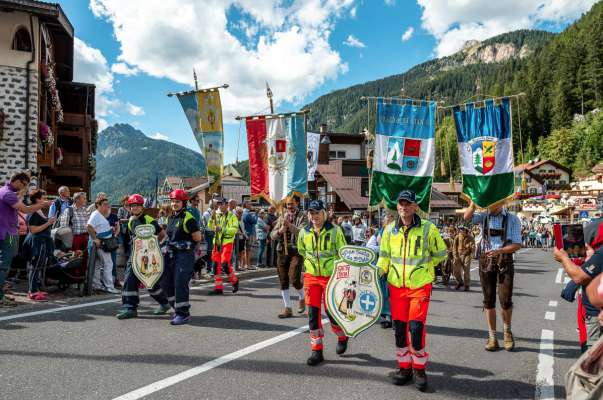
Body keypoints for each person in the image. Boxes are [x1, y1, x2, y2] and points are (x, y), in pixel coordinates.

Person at [378, 189, 447, 392]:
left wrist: (424, 270)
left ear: (415, 206)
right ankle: (404, 368)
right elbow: (384, 256)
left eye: (408, 203)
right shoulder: (390, 230)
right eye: (401, 203)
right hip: (397, 288)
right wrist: (380, 271)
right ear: (397, 206)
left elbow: (441, 254)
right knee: (399, 331)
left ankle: (419, 369)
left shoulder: (428, 228)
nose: (404, 207)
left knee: (416, 329)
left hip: (419, 287)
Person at [463, 201, 522, 352]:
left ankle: (507, 333)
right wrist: (473, 202)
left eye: (496, 200)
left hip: (505, 260)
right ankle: (492, 337)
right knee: (488, 300)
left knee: (505, 300)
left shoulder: (513, 219)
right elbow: (466, 217)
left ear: (502, 202)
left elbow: (517, 244)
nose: (492, 204)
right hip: (485, 260)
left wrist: (500, 251)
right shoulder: (483, 216)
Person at [297, 200, 348, 366]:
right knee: (312, 315)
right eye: (311, 213)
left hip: (330, 278)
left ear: (324, 213)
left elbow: (343, 254)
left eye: (317, 212)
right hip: (311, 277)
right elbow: (302, 251)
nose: (314, 216)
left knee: (333, 314)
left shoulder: (335, 231)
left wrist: (342, 279)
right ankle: (316, 350)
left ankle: (342, 336)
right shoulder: (304, 233)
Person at [115, 194, 171, 319]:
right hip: (134, 256)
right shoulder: (130, 220)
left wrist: (153, 246)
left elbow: (162, 234)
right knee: (129, 280)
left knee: (150, 283)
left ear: (142, 207)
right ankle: (130, 308)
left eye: (137, 205)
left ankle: (164, 303)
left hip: (147, 257)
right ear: (129, 207)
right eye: (132, 206)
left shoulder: (149, 220)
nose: (134, 208)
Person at [1, 172, 50, 307]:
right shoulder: (8, 194)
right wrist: (43, 204)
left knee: (4, 265)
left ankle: (1, 295)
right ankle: (0, 298)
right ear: (18, 181)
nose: (24, 188)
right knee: (4, 266)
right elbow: (27, 209)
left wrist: (23, 189)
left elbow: (18, 197)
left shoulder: (5, 191)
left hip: (6, 232)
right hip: (8, 234)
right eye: (24, 184)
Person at [162, 189, 202, 325]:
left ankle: (182, 313)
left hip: (184, 255)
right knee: (165, 281)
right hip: (171, 254)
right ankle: (177, 307)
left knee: (180, 282)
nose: (174, 204)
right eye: (173, 201)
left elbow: (197, 237)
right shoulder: (171, 217)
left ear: (183, 203)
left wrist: (185, 246)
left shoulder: (188, 218)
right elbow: (169, 235)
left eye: (177, 201)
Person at [554, 245, 603, 351]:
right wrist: (591, 258)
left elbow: (579, 277)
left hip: (596, 316)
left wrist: (564, 258)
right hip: (594, 315)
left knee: (592, 361)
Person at [271, 196, 308, 318]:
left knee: (294, 278)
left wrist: (289, 225)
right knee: (283, 280)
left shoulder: (303, 216)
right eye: (287, 204)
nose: (289, 206)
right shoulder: (282, 216)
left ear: (297, 203)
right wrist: (280, 231)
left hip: (296, 251)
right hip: (282, 251)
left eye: (291, 204)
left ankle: (302, 297)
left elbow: (302, 232)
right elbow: (272, 235)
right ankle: (288, 308)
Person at [24, 189, 56, 302]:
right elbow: (33, 230)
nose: (45, 199)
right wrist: (48, 223)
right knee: (35, 267)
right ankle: (32, 292)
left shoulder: (38, 210)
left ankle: (35, 289)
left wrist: (49, 222)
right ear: (38, 199)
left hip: (41, 241)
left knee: (38, 267)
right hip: (37, 242)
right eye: (43, 197)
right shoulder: (33, 211)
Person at [207, 197, 240, 295]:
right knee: (215, 266)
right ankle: (218, 288)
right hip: (216, 243)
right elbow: (210, 226)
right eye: (219, 204)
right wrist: (211, 220)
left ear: (227, 205)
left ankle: (235, 281)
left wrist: (222, 229)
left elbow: (234, 229)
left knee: (225, 264)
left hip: (227, 243)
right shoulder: (215, 214)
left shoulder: (232, 216)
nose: (221, 206)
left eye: (223, 204)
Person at [87, 197, 119, 294]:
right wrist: (95, 239)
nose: (107, 206)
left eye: (107, 204)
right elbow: (89, 226)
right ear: (98, 206)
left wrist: (110, 229)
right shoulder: (96, 214)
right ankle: (109, 286)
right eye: (105, 204)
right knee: (108, 264)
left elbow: (99, 228)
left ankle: (96, 285)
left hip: (102, 243)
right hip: (101, 243)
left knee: (97, 265)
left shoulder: (99, 215)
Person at [452, 226, 475, 291]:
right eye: (460, 229)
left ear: (466, 230)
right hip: (458, 255)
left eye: (462, 229)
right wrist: (455, 256)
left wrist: (471, 250)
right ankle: (460, 282)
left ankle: (467, 285)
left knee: (466, 270)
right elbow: (454, 247)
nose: (461, 231)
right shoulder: (457, 237)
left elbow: (473, 248)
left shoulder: (470, 237)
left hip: (467, 255)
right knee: (455, 270)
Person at [242, 201, 257, 268]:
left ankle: (245, 264)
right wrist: (256, 214)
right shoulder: (247, 213)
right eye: (249, 204)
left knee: (245, 249)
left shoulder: (244, 212)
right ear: (246, 205)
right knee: (248, 249)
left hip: (245, 232)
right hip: (249, 233)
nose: (251, 205)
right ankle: (247, 264)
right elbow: (254, 221)